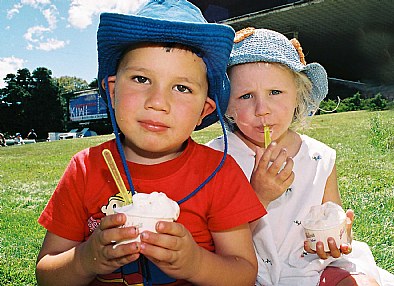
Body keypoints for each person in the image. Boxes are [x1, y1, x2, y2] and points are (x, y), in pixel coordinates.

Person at [35, 2, 266, 286]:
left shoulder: (219, 172)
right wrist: (86, 258)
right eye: (141, 79)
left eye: (182, 88)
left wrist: (196, 264)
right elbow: (47, 274)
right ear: (113, 91)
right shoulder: (85, 169)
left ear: (203, 111)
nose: (157, 102)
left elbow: (243, 272)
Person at [207, 28, 384, 285]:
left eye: (275, 93)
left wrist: (337, 236)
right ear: (228, 106)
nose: (262, 110)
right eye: (245, 96)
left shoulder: (319, 158)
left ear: (298, 96)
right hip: (247, 272)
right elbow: (215, 242)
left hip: (310, 267)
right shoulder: (217, 158)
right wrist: (259, 196)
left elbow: (328, 217)